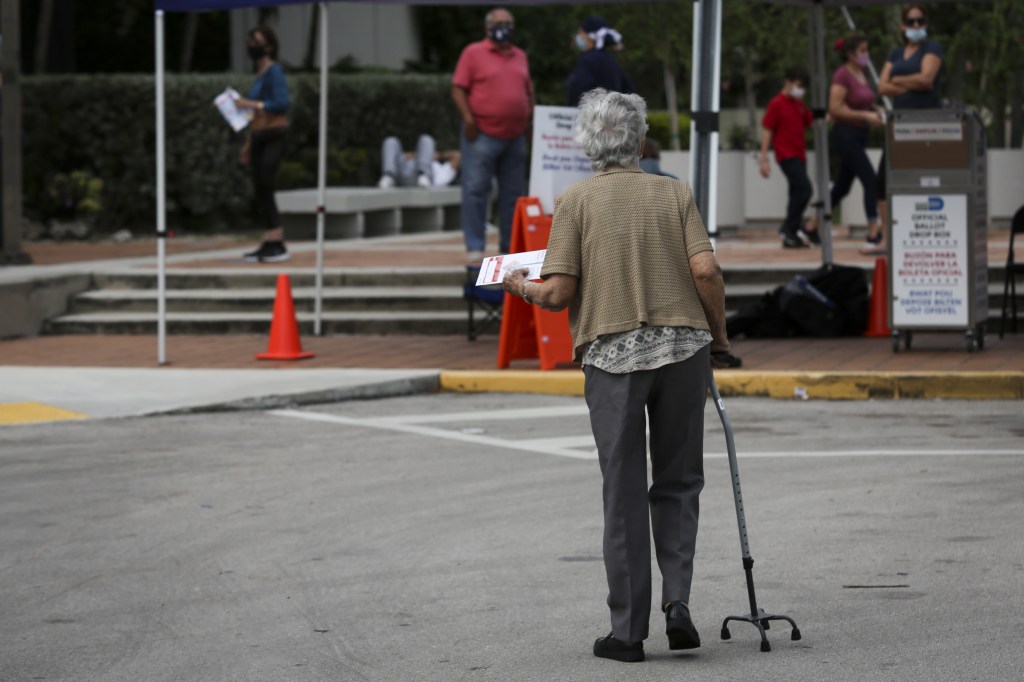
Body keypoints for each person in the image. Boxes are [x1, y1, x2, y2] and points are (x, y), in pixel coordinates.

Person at [502, 89, 738, 664]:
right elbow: (705, 269)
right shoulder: (674, 192)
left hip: (612, 357)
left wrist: (517, 284)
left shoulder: (576, 201)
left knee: (623, 490)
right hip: (684, 350)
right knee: (680, 481)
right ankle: (677, 605)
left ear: (587, 142)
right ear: (639, 139)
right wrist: (720, 339)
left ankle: (628, 632)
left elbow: (557, 294)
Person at [452, 7, 535, 264]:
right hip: (482, 134)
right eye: (499, 23)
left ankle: (509, 247)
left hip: (515, 136)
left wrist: (530, 119)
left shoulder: (520, 56)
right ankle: (475, 246)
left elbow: (528, 92)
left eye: (508, 23)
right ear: (487, 27)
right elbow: (458, 88)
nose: (504, 27)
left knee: (513, 194)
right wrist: (467, 118)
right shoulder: (473, 53)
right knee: (476, 190)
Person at [874, 4, 945, 254]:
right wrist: (909, 83)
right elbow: (881, 87)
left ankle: (925, 234)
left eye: (921, 21)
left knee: (922, 179)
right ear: (903, 26)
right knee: (883, 180)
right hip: (898, 122)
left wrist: (898, 80)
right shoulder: (895, 53)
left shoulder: (932, 48)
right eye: (912, 22)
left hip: (925, 122)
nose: (916, 26)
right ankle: (886, 237)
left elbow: (927, 80)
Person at [235, 25, 290, 263]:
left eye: (257, 41)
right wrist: (247, 144)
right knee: (260, 186)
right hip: (258, 136)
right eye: (250, 40)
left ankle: (277, 240)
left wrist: (252, 104)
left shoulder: (274, 72)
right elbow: (254, 116)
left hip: (274, 135)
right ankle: (270, 239)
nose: (251, 46)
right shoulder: (260, 73)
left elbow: (281, 103)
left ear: (269, 46)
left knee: (266, 182)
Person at [827, 34, 886, 254]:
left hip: (860, 135)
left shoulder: (862, 73)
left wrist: (878, 111)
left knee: (842, 186)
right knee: (871, 180)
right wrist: (865, 116)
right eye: (862, 51)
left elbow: (867, 101)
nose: (866, 55)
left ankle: (811, 225)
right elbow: (835, 108)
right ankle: (873, 231)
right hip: (845, 134)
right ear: (851, 54)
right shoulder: (842, 75)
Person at [759, 65, 817, 249]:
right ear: (788, 82)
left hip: (800, 155)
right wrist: (763, 158)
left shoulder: (799, 104)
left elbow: (811, 121)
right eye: (798, 85)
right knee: (805, 189)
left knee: (796, 193)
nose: (800, 90)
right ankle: (789, 228)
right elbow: (768, 130)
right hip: (786, 154)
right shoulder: (777, 103)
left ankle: (792, 232)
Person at [566, 16, 633, 107]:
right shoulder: (610, 59)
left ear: (590, 36)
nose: (578, 36)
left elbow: (578, 91)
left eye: (580, 32)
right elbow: (628, 88)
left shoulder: (589, 61)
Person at [377, 135, 459, 189]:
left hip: (420, 178)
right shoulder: (433, 161)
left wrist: (436, 155)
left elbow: (458, 156)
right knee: (391, 141)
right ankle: (388, 176)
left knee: (426, 139)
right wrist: (435, 155)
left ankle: (423, 175)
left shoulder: (443, 175)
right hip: (400, 171)